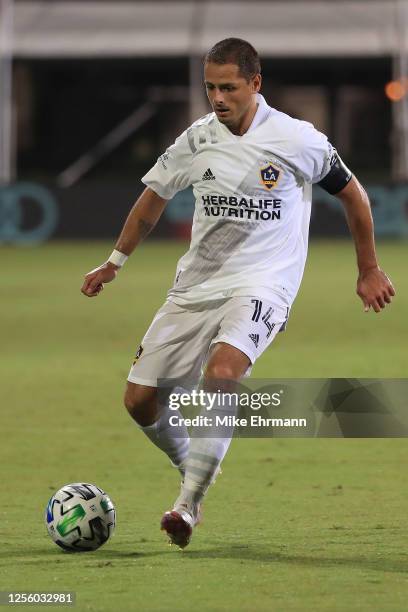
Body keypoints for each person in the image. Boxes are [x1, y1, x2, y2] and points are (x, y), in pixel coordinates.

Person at [81, 38, 395, 549]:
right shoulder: (196, 140)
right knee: (139, 401)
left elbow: (353, 195)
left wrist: (369, 268)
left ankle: (186, 504)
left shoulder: (298, 139)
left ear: (256, 83)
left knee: (222, 373)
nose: (217, 97)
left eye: (228, 87)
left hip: (264, 284)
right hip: (196, 287)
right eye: (210, 87)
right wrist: (114, 262)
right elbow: (151, 202)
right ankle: (197, 468)